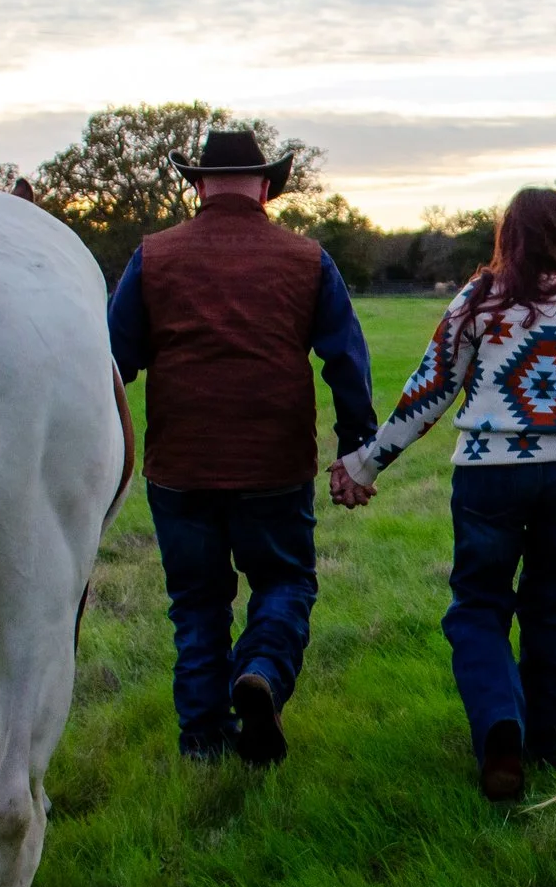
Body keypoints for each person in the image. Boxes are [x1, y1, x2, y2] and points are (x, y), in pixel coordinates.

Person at [332, 188, 556, 801]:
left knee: (477, 606)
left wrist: (368, 463)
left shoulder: (480, 299)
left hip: (488, 477)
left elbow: (431, 389)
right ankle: (548, 741)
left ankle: (499, 724)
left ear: (508, 235)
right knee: (553, 606)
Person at [107, 129, 377, 765]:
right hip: (273, 463)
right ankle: (260, 671)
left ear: (198, 185)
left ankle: (202, 739)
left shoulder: (153, 255)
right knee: (285, 579)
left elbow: (114, 361)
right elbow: (345, 359)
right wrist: (357, 445)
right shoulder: (307, 258)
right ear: (266, 188)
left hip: (180, 466)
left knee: (197, 604)